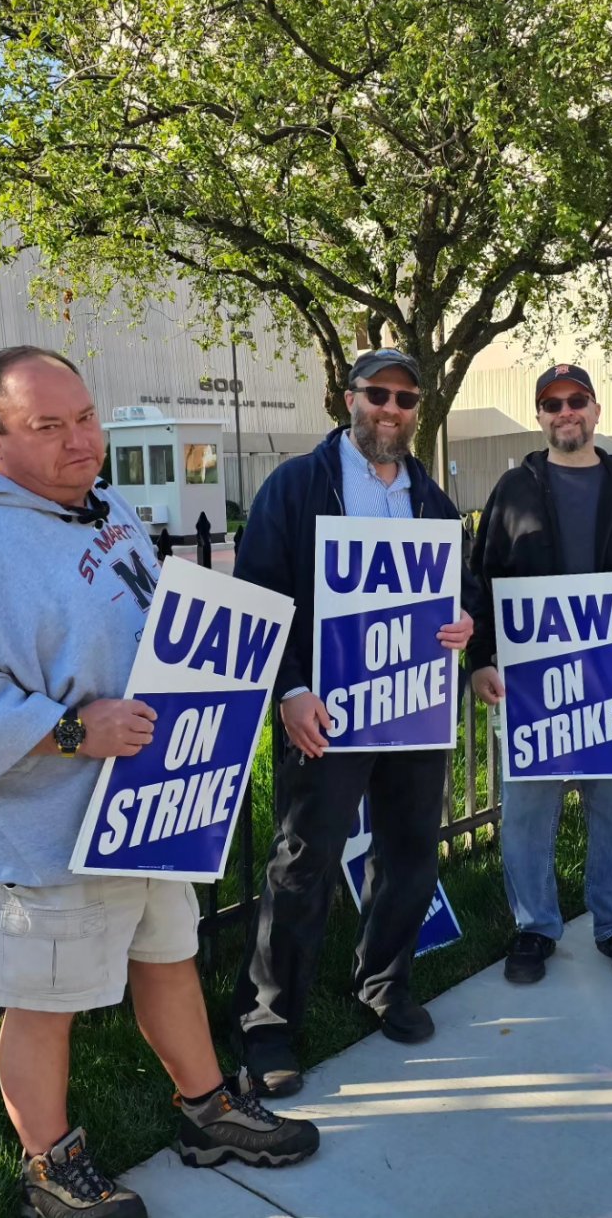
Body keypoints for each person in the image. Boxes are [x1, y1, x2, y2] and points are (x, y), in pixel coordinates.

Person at [0, 347, 318, 1218]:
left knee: (170, 955)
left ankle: (206, 1111)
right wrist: (75, 730)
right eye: (49, 426)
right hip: (40, 827)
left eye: (86, 417)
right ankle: (49, 1167)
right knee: (44, 1002)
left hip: (140, 806)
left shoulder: (100, 505)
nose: (81, 441)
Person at [231, 348, 475, 1097]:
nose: (391, 409)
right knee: (303, 862)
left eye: (406, 398)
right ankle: (268, 1023)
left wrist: (461, 623)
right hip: (326, 713)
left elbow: (455, 592)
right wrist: (291, 688)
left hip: (410, 705)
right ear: (348, 399)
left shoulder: (429, 498)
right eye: (378, 394)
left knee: (408, 849)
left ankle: (384, 981)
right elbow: (259, 595)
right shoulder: (298, 486)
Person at [468, 364, 612, 986]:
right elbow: (482, 581)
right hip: (532, 681)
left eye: (576, 401)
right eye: (552, 403)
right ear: (540, 415)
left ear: (595, 410)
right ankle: (535, 926)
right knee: (529, 809)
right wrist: (479, 659)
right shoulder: (513, 488)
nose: (566, 412)